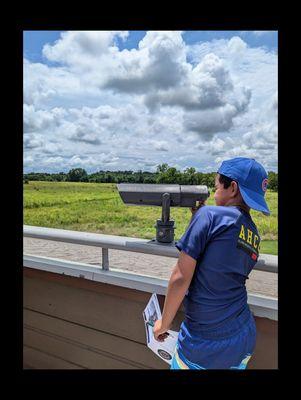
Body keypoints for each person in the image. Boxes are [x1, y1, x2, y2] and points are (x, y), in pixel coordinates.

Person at [153, 157, 270, 369]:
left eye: (216, 187)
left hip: (205, 343)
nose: (214, 193)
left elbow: (180, 277)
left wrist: (164, 323)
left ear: (232, 188)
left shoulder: (208, 215)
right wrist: (198, 220)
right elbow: (220, 260)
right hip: (243, 334)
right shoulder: (253, 233)